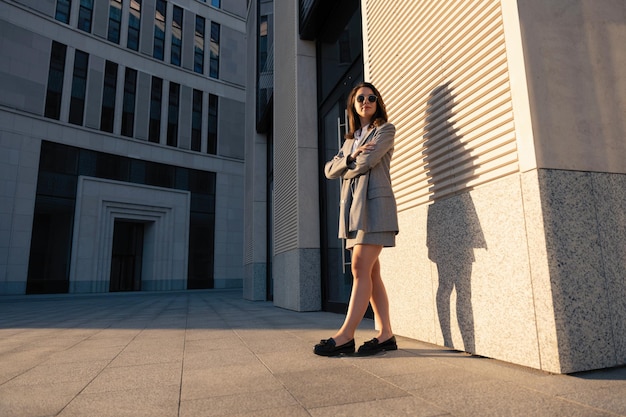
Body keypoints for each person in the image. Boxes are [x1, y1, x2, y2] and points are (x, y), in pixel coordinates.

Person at [314, 82, 399, 357]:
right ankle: (386, 334)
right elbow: (329, 170)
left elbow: (366, 163)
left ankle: (346, 335)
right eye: (360, 97)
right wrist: (351, 156)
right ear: (353, 104)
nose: (366, 101)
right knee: (371, 273)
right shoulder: (351, 140)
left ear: (377, 101)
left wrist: (348, 164)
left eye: (371, 97)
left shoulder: (385, 129)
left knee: (360, 267)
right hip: (353, 211)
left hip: (375, 209)